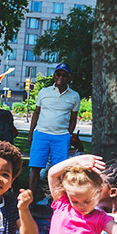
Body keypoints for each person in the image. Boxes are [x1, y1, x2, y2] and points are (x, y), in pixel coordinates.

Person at [27, 63, 81, 197]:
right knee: (35, 168)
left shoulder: (74, 96)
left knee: (60, 171)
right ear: (54, 75)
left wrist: (68, 134)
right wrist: (31, 133)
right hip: (41, 134)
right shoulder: (44, 92)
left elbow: (73, 118)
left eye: (64, 75)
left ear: (69, 77)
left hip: (61, 137)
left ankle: (57, 201)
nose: (61, 77)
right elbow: (36, 113)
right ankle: (30, 199)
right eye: (58, 74)